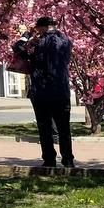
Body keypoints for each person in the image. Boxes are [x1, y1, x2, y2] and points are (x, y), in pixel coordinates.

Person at [14, 16, 74, 168]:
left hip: (41, 91)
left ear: (41, 27)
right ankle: (68, 159)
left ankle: (49, 159)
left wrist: (27, 35)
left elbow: (18, 48)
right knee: (64, 128)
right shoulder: (66, 42)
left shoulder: (38, 44)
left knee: (45, 127)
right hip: (61, 91)